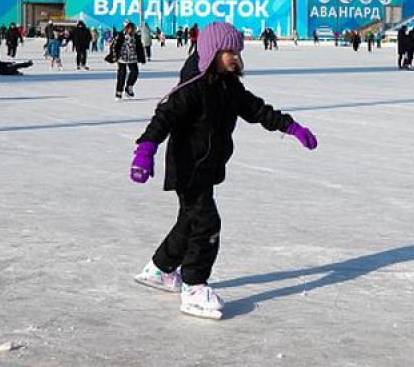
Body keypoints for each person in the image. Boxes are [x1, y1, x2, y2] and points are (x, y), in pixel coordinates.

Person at [127, 22, 318, 320]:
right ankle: (193, 287)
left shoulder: (229, 86)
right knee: (207, 225)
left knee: (189, 221)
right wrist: (145, 150)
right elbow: (164, 117)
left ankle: (160, 269)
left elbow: (257, 110)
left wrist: (291, 127)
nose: (235, 57)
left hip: (208, 166)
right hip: (189, 168)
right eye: (229, 50)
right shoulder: (192, 88)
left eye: (238, 51)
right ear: (211, 51)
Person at [110, 22, 146, 99]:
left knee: (135, 72)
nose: (131, 30)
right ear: (126, 28)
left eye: (133, 29)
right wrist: (114, 55)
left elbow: (140, 47)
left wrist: (142, 57)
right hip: (122, 58)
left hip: (132, 58)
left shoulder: (135, 37)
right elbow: (114, 46)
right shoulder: (120, 35)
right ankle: (118, 92)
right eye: (130, 28)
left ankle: (129, 87)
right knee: (122, 75)